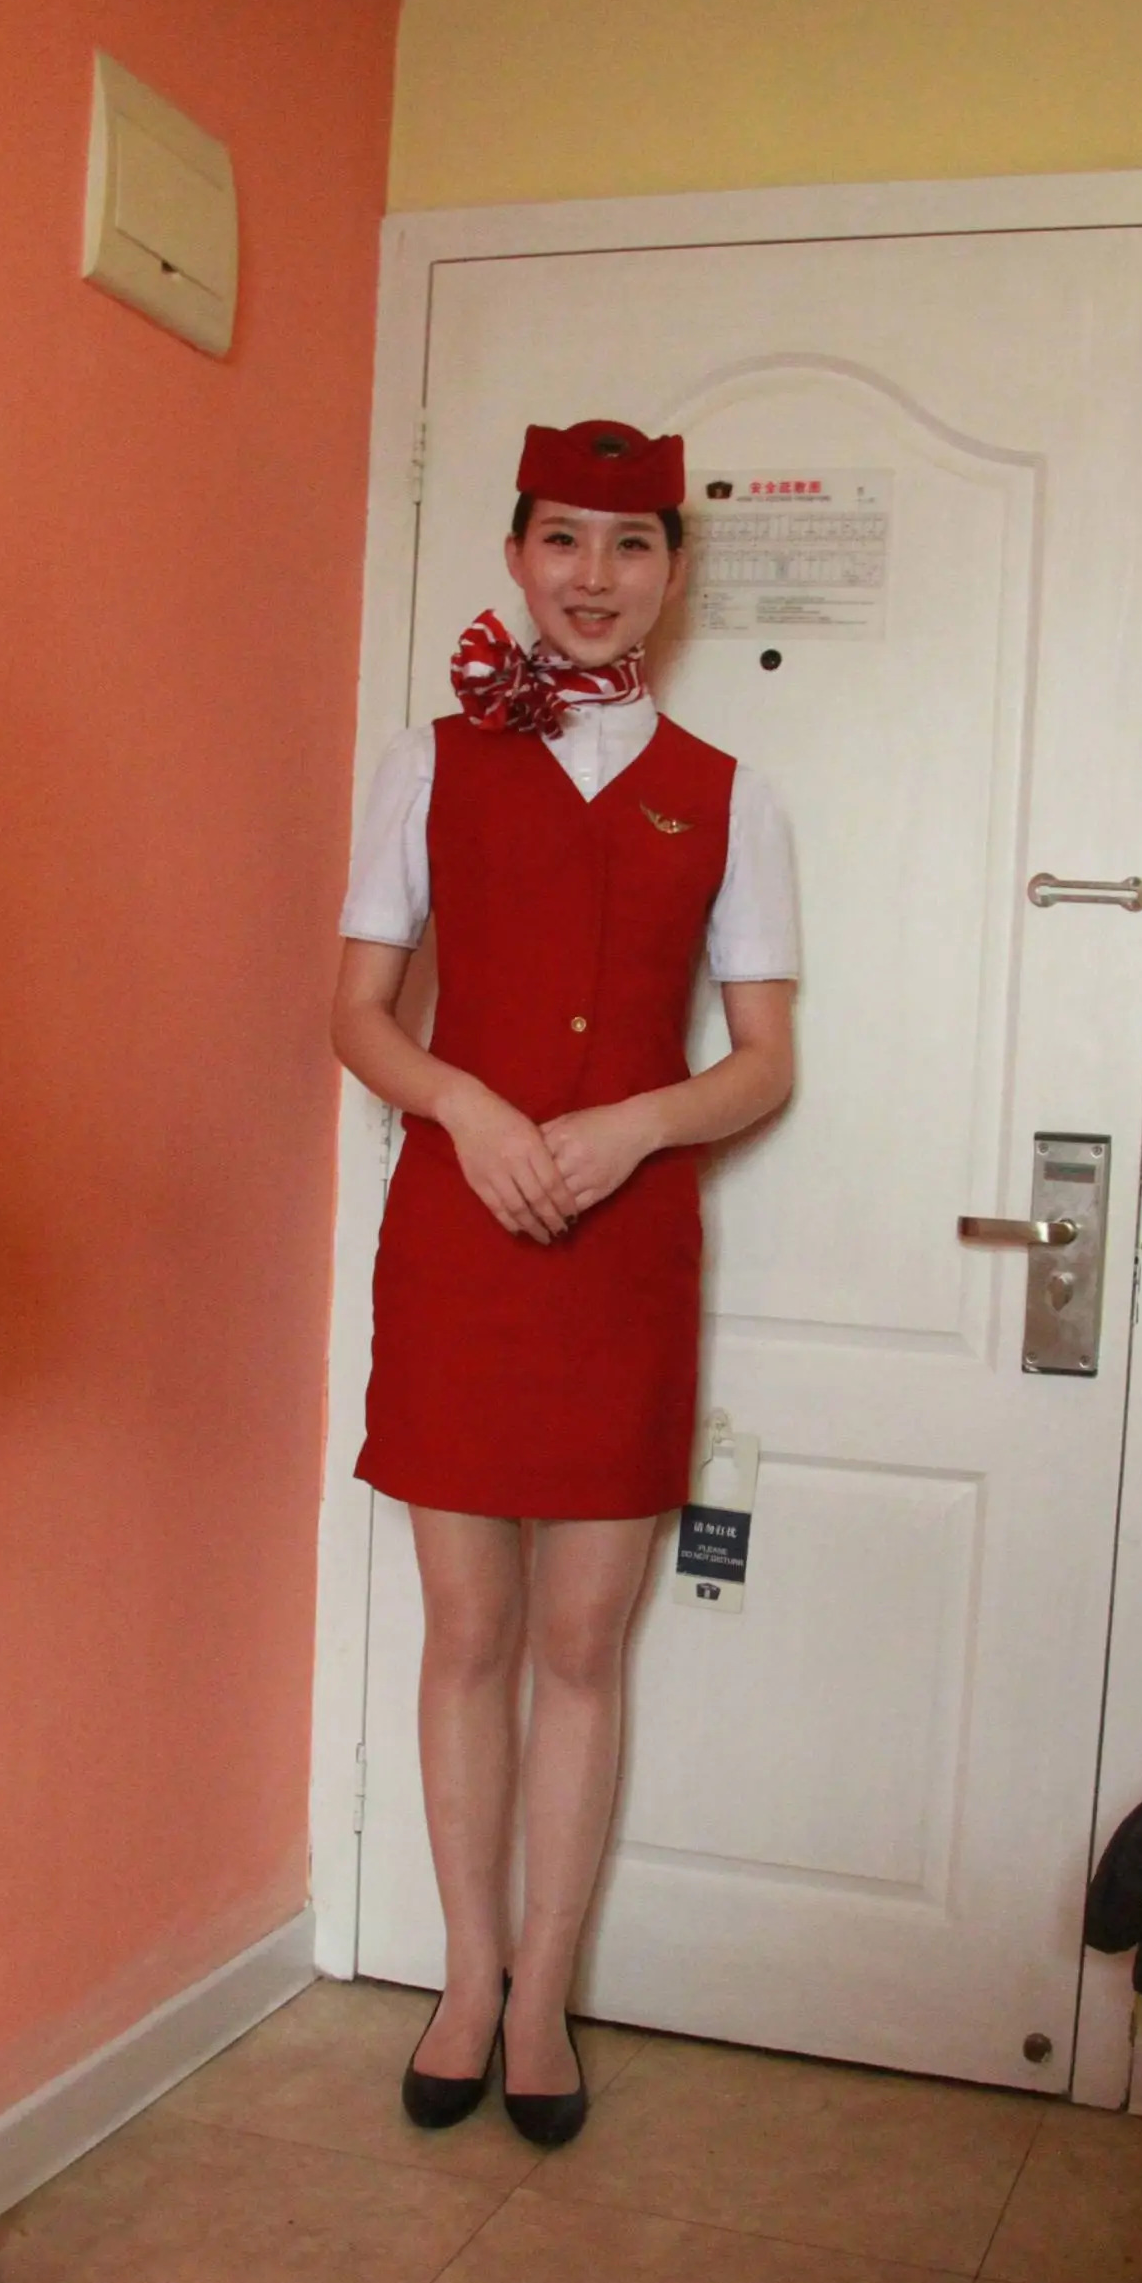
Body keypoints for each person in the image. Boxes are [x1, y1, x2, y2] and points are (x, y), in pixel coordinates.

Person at [332, 417, 798, 2144]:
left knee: (585, 1643)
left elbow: (764, 1063)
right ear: (517, 555)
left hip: (626, 1251)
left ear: (674, 571)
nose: (594, 577)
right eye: (563, 540)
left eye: (631, 544)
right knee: (469, 1631)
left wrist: (635, 1127)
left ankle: (546, 1996)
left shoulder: (732, 794)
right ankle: (467, 1979)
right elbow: (356, 1015)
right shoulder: (426, 763)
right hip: (460, 1242)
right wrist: (462, 1106)